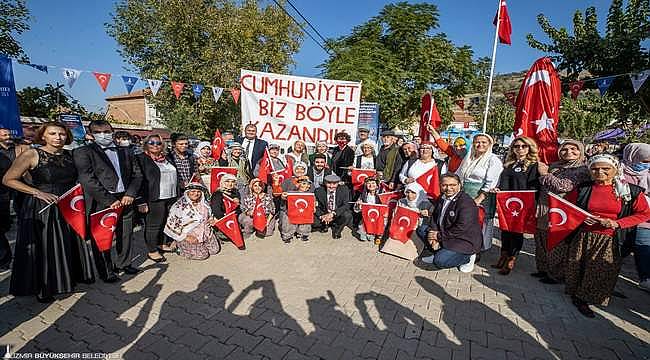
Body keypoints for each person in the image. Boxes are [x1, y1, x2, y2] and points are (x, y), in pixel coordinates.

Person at [3, 122, 94, 302]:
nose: (58, 137)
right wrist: (38, 192)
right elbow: (8, 179)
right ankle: (43, 287)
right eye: (52, 133)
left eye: (61, 134)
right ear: (43, 136)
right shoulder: (32, 154)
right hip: (42, 207)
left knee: (64, 245)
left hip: (68, 206)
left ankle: (66, 280)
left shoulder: (70, 155)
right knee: (45, 247)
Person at [563, 154, 650, 317]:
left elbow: (644, 213)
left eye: (605, 168)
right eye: (595, 169)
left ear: (615, 170)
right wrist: (582, 218)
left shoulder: (629, 191)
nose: (600, 172)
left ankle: (589, 295)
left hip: (611, 238)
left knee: (602, 269)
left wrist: (617, 223)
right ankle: (579, 297)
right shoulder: (583, 188)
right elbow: (568, 207)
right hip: (585, 235)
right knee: (580, 265)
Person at [73, 120, 142, 282]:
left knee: (125, 234)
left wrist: (130, 194)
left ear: (112, 131)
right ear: (91, 135)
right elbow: (87, 179)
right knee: (103, 237)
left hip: (126, 199)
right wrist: (109, 200)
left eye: (106, 131)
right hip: (101, 201)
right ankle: (106, 270)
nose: (103, 135)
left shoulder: (126, 151)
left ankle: (123, 263)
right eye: (98, 132)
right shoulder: (83, 152)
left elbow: (137, 175)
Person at [533, 140, 591, 284]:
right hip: (544, 207)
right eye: (565, 149)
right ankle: (543, 269)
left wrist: (545, 173)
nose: (569, 152)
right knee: (541, 240)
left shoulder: (582, 169)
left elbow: (563, 186)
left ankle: (555, 274)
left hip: (561, 211)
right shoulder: (555, 166)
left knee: (556, 243)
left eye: (574, 149)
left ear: (581, 152)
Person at [492, 137, 540, 275]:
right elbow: (504, 183)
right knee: (505, 229)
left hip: (523, 204)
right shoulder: (508, 164)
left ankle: (512, 259)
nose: (520, 149)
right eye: (517, 146)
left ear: (529, 148)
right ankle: (503, 255)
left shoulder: (534, 165)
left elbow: (534, 186)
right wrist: (499, 190)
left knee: (517, 232)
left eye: (523, 146)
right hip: (508, 203)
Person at [417, 173, 482, 272]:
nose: (448, 188)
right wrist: (432, 233)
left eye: (452, 185)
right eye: (445, 185)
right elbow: (435, 217)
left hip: (462, 240)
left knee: (440, 262)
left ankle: (468, 258)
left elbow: (461, 228)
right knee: (422, 230)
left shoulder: (466, 203)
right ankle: (438, 252)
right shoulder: (441, 197)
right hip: (446, 234)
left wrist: (438, 236)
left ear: (459, 185)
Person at [455, 133, 503, 252]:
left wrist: (479, 198)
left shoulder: (493, 160)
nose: (480, 144)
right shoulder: (469, 157)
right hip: (466, 192)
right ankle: (465, 244)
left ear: (489, 144)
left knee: (482, 221)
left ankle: (480, 248)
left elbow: (491, 181)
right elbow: (459, 174)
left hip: (482, 195)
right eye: (477, 142)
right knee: (466, 219)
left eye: (483, 142)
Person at [136, 134, 178, 263]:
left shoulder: (167, 158)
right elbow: (137, 180)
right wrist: (140, 201)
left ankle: (161, 244)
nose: (155, 145)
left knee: (164, 222)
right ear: (146, 144)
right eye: (152, 142)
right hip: (153, 198)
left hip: (170, 196)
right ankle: (152, 250)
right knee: (153, 225)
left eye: (158, 143)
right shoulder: (140, 159)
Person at [164, 179, 220, 260]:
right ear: (187, 192)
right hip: (189, 236)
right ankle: (179, 248)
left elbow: (209, 216)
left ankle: (202, 244)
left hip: (205, 233)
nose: (196, 194)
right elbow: (173, 225)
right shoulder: (179, 206)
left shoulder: (204, 204)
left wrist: (211, 220)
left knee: (215, 250)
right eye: (193, 191)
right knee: (202, 255)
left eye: (198, 192)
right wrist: (185, 237)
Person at [621, 143, 650, 291]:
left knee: (643, 247)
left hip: (644, 220)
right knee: (620, 250)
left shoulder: (648, 175)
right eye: (644, 161)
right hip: (622, 219)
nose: (646, 165)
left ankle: (645, 278)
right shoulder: (618, 171)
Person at [0, 127, 27, 271]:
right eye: (4, 135)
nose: (8, 136)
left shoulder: (20, 148)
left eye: (9, 134)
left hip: (18, 190)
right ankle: (4, 260)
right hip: (3, 192)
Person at [210, 173, 244, 249]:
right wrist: (228, 219)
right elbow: (217, 211)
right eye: (227, 181)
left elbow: (238, 209)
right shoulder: (217, 194)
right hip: (223, 219)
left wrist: (237, 203)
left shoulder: (235, 193)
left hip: (233, 217)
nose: (230, 184)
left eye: (232, 182)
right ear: (222, 182)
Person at [314, 174, 353, 239]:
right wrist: (322, 216)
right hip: (324, 213)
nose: (331, 186)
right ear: (325, 183)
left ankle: (337, 230)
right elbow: (316, 206)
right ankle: (325, 224)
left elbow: (346, 205)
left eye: (334, 183)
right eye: (329, 183)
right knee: (313, 221)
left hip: (336, 214)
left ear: (338, 183)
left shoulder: (344, 190)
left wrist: (333, 214)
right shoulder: (319, 191)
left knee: (347, 215)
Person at [278, 176, 314, 243]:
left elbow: (312, 203)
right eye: (303, 184)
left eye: (307, 184)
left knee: (307, 218)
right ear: (298, 185)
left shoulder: (310, 194)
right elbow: (284, 198)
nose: (306, 186)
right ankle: (287, 235)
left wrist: (314, 205)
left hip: (304, 212)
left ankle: (303, 234)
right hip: (292, 212)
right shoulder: (291, 193)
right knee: (288, 219)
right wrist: (284, 196)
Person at [353, 177, 384, 243]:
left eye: (373, 183)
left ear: (377, 185)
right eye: (368, 183)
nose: (371, 185)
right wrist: (359, 204)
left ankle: (378, 235)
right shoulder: (363, 195)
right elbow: (356, 210)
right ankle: (370, 233)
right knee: (363, 237)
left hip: (379, 218)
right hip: (367, 218)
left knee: (382, 225)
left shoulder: (382, 195)